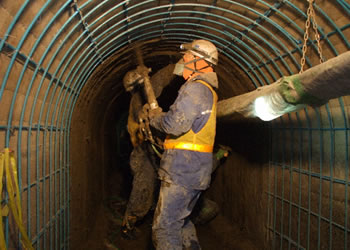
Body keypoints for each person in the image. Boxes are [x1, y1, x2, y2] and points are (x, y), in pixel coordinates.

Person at [145, 39, 220, 249]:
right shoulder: (208, 91)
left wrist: (155, 117)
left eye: (186, 57)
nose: (182, 60)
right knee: (182, 222)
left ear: (198, 61)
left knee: (165, 228)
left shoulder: (195, 89)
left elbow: (175, 124)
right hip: (196, 171)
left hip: (182, 171)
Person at [120, 64, 176, 239]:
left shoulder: (136, 98)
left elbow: (157, 83)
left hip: (149, 151)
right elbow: (157, 83)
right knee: (143, 190)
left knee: (150, 189)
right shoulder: (138, 101)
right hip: (144, 153)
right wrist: (174, 67)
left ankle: (146, 216)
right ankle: (129, 225)